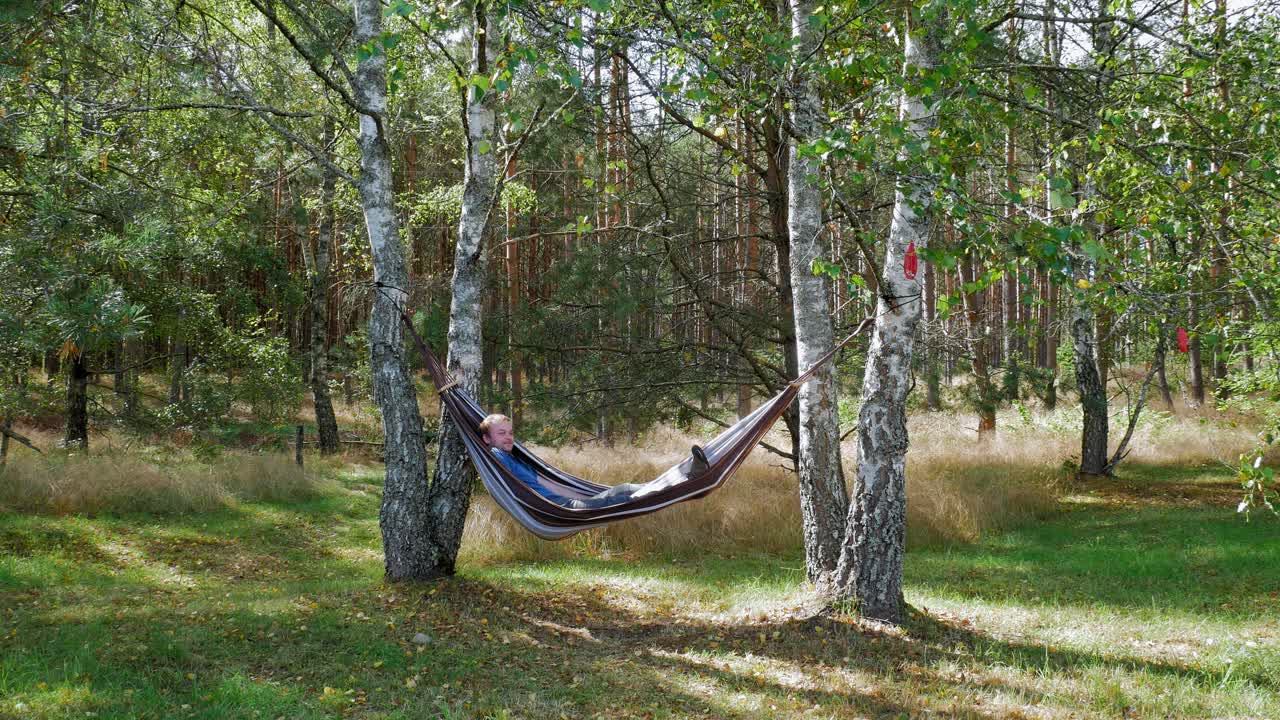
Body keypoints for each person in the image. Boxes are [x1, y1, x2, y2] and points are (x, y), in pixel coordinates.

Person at [480, 413, 644, 509]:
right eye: (501, 433)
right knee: (617, 502)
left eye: (510, 433)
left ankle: (655, 488)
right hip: (552, 506)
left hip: (562, 500)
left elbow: (550, 485)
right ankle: (651, 495)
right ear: (486, 438)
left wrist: (586, 496)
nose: (509, 438)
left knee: (621, 489)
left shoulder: (515, 457)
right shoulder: (495, 454)